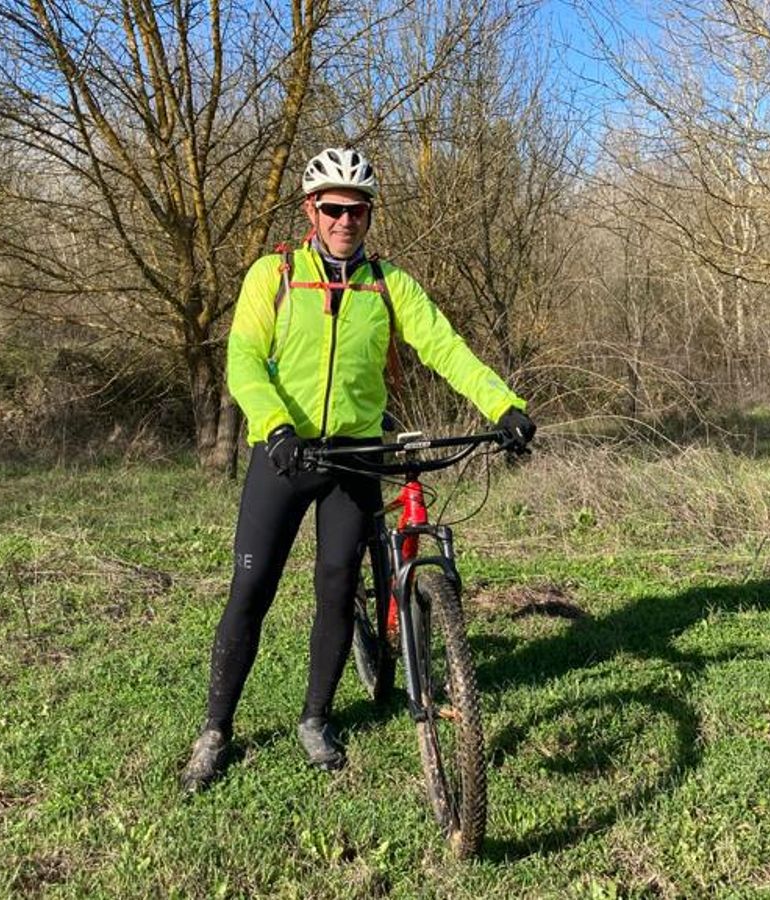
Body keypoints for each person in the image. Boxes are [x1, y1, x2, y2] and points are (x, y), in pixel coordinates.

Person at [180, 147, 536, 793]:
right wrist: (274, 424)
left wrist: (503, 403)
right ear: (310, 211)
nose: (347, 219)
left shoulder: (386, 283)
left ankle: (316, 719)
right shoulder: (275, 274)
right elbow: (243, 359)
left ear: (370, 215)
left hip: (354, 456)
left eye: (359, 209)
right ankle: (215, 729)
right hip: (284, 453)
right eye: (334, 207)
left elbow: (443, 346)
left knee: (338, 589)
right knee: (250, 593)